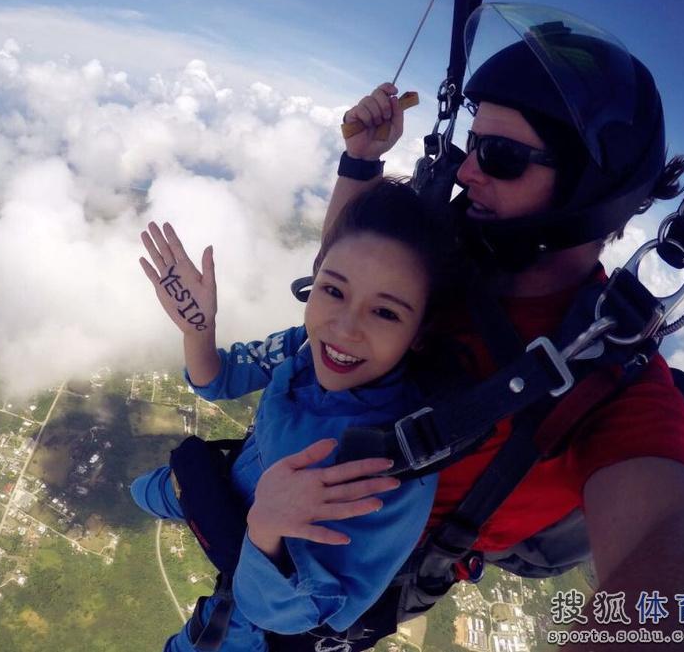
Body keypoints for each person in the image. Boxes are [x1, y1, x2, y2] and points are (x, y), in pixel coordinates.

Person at [314, 7, 684, 647]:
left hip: (357, 576)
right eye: (472, 144)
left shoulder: (617, 387)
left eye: (500, 156)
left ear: (587, 193)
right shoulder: (448, 247)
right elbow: (338, 287)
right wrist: (360, 164)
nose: (468, 170)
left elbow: (673, 552)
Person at [131, 179, 457, 651]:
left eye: (385, 313)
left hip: (255, 600)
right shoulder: (307, 347)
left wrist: (265, 529)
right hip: (231, 487)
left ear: (420, 335)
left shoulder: (387, 464)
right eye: (333, 290)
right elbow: (217, 379)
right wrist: (197, 330)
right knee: (142, 490)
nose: (345, 328)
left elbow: (298, 615)